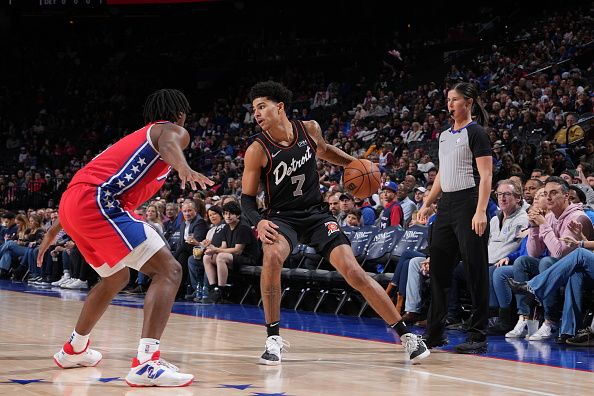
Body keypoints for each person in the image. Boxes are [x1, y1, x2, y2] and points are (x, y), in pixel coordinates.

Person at [241, 81, 428, 365]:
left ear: (279, 107)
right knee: (271, 257)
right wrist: (258, 222)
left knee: (353, 271)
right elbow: (246, 200)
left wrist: (357, 164)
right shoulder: (257, 149)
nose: (257, 113)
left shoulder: (309, 129)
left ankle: (406, 336)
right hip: (282, 217)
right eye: (254, 109)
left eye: (262, 106)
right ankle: (273, 337)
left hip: (317, 215)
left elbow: (325, 151)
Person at [36, 89, 212, 387]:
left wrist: (57, 227)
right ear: (180, 114)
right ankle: (147, 362)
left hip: (76, 203)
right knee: (169, 270)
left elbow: (84, 181)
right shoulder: (170, 131)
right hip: (98, 201)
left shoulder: (138, 138)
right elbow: (170, 140)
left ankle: (74, 348)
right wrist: (183, 166)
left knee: (115, 279)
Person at [417, 82, 493, 354]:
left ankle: (478, 336)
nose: (450, 104)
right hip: (446, 205)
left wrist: (481, 210)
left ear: (469, 102)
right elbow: (442, 173)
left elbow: (486, 175)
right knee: (438, 270)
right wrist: (428, 203)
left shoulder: (477, 133)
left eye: (455, 100)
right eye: (448, 99)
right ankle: (435, 333)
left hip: (469, 202)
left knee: (475, 270)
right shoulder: (445, 135)